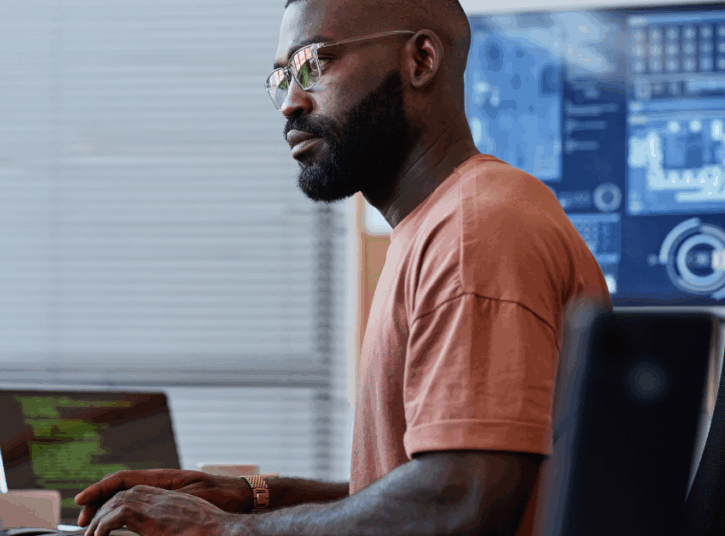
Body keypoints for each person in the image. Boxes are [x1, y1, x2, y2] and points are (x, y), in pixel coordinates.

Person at [74, 0, 611, 534]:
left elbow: (461, 502)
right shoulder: (440, 224)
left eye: (315, 63)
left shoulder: (476, 231)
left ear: (421, 60)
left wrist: (224, 532)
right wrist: (254, 498)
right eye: (282, 77)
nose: (290, 102)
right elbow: (412, 486)